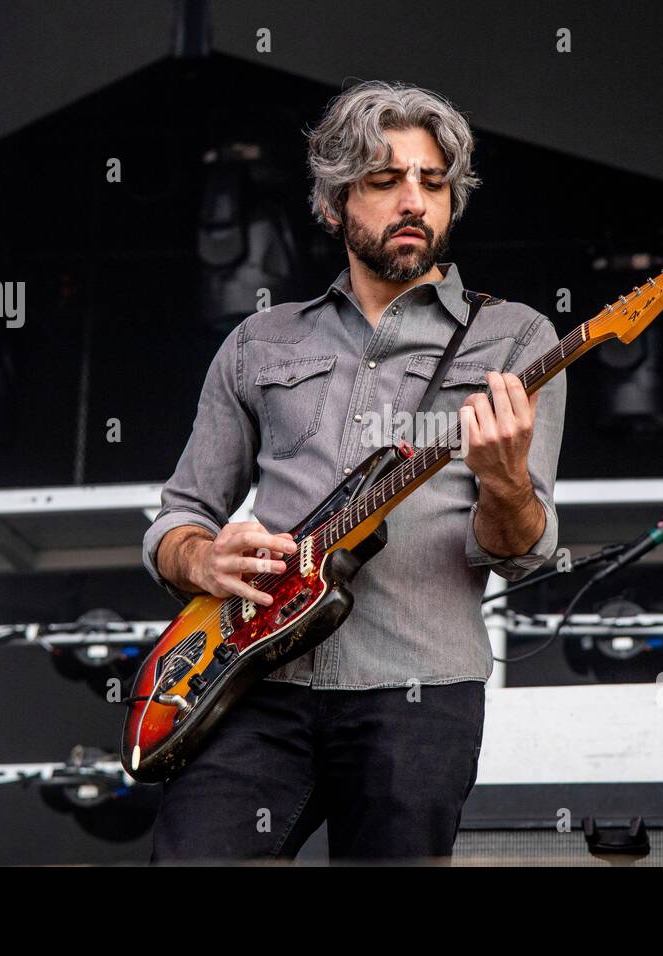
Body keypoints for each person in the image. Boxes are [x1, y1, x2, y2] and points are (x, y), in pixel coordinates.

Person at [142, 79, 566, 864]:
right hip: (254, 685)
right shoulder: (259, 342)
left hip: (419, 693)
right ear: (336, 205)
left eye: (432, 182)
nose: (414, 200)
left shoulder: (517, 339)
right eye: (384, 180)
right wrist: (201, 556)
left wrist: (504, 480)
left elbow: (520, 551)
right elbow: (177, 516)